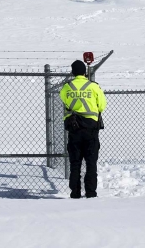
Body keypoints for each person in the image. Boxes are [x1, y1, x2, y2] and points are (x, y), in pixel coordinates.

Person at [59, 60, 107, 199]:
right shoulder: (93, 86)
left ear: (73, 72)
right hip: (91, 128)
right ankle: (91, 193)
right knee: (91, 163)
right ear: (84, 72)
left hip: (74, 129)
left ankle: (75, 193)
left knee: (75, 163)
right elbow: (102, 106)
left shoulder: (67, 87)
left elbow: (64, 99)